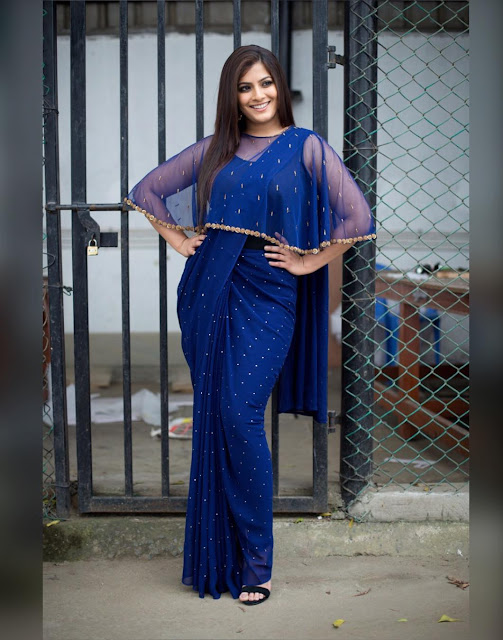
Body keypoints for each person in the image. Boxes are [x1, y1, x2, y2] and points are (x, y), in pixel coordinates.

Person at [124, 44, 376, 605]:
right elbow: (147, 191)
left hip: (268, 294)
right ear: (232, 96)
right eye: (245, 87)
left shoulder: (306, 145)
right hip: (208, 290)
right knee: (217, 417)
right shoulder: (217, 148)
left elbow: (356, 216)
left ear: (279, 86)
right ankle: (222, 558)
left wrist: (308, 262)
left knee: (238, 415)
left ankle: (256, 563)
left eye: (265, 83)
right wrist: (179, 240)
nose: (258, 95)